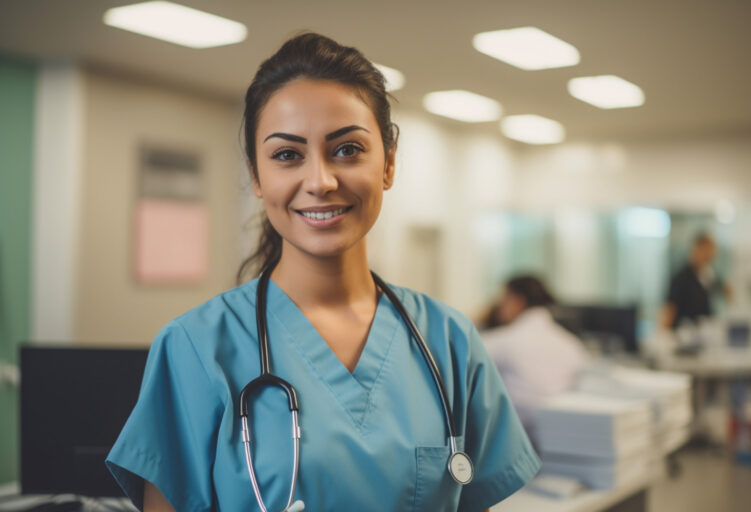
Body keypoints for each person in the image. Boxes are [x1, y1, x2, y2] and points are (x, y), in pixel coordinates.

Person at [106, 33, 540, 512]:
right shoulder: (195, 348)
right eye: (287, 155)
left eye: (348, 149)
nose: (320, 181)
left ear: (389, 164)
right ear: (256, 174)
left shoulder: (450, 344)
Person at [481, 275, 589, 435]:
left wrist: (481, 318)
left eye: (502, 301)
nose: (499, 308)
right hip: (561, 437)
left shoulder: (503, 341)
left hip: (516, 438)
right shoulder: (572, 345)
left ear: (517, 302)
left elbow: (460, 357)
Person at [660, 232, 730, 329]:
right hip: (684, 333)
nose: (710, 257)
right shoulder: (681, 278)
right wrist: (663, 333)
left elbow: (727, 294)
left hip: (704, 331)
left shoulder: (707, 276)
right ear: (697, 249)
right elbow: (670, 309)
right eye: (707, 252)